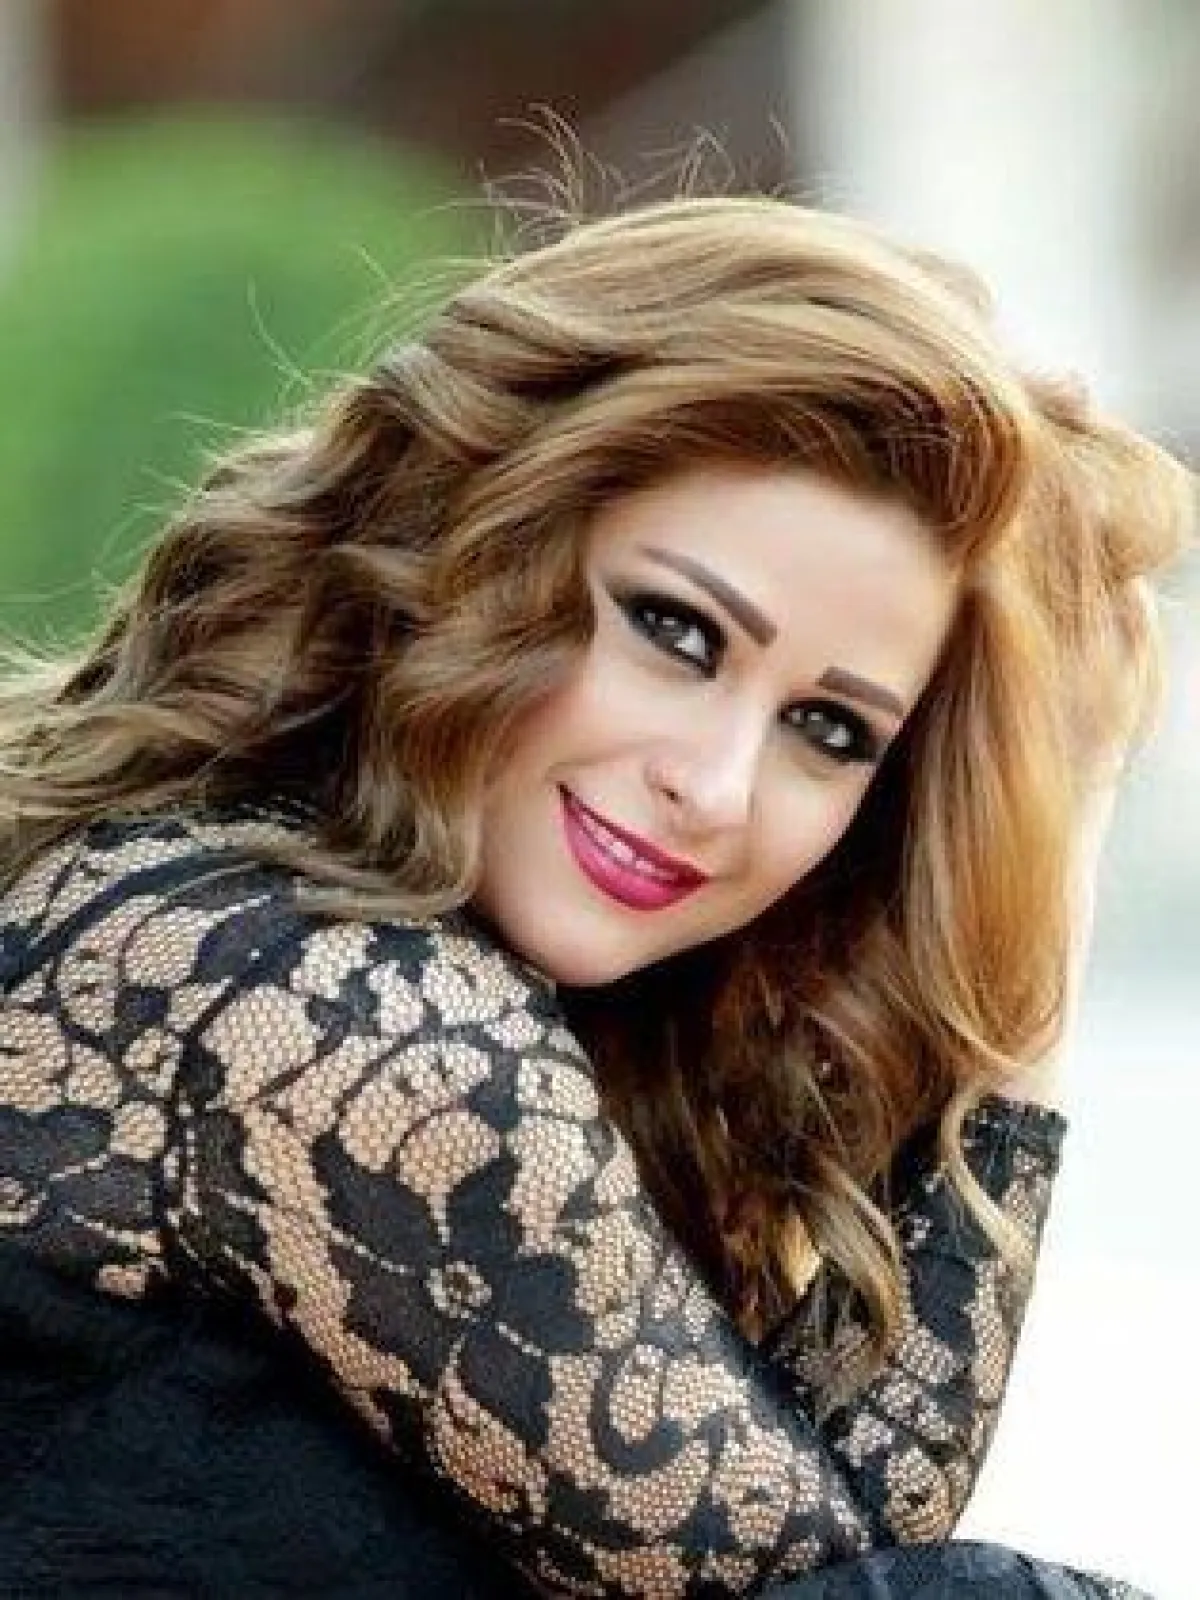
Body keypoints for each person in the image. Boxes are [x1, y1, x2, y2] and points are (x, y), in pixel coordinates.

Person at [0, 194, 1190, 1599]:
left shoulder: (230, 903)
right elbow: (848, 1577)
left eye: (829, 729)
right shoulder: (326, 1001)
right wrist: (1049, 897)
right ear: (480, 535)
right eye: (676, 631)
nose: (718, 787)